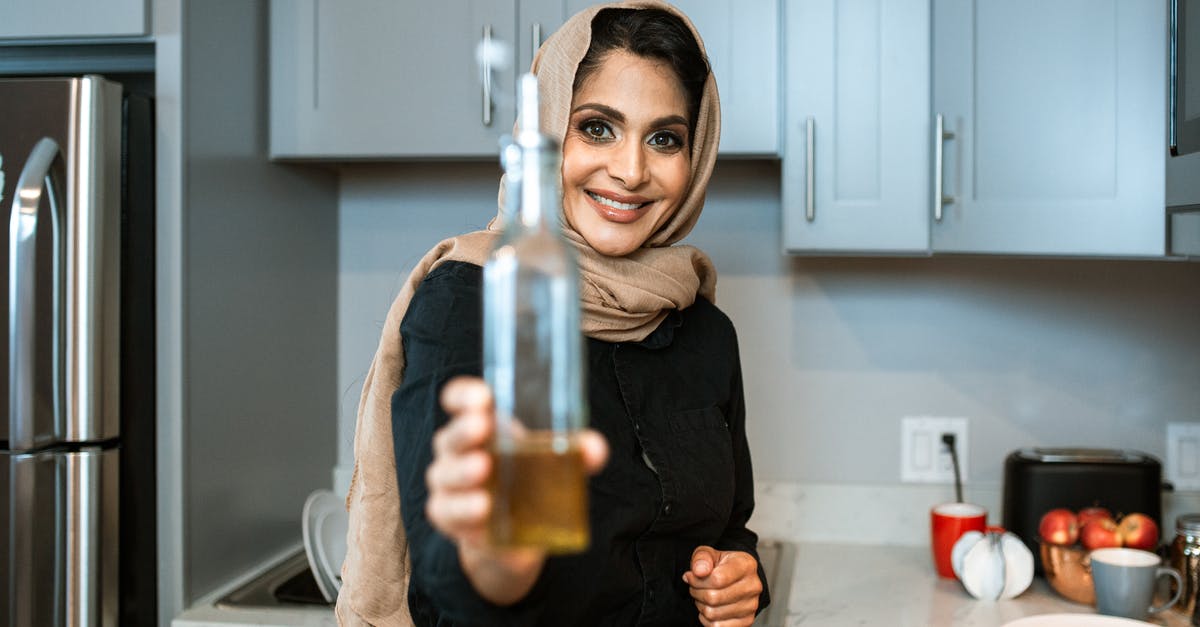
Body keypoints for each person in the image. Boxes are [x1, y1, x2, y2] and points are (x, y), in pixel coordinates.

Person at [336, 2, 769, 625]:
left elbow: (730, 527)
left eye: (665, 138)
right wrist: (497, 564)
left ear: (695, 156)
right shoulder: (470, 299)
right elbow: (445, 585)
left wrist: (736, 576)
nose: (630, 170)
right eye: (597, 128)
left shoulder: (704, 331)